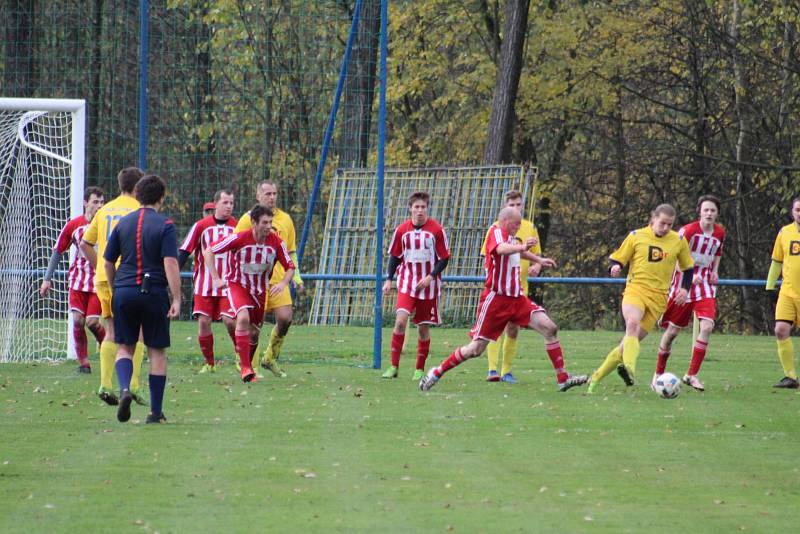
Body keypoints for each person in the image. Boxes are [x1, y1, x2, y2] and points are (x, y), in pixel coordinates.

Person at [420, 207, 587, 392]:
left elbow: (517, 251)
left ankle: (563, 379)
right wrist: (522, 246)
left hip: (517, 300)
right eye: (516, 224)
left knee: (550, 328)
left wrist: (538, 260)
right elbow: (501, 249)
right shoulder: (495, 232)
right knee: (475, 349)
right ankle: (437, 372)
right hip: (496, 301)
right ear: (506, 221)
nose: (518, 227)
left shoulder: (510, 236)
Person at [587, 204, 696, 393]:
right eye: (662, 223)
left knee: (626, 345)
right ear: (653, 219)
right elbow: (618, 258)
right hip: (635, 291)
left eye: (669, 224)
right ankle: (629, 369)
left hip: (658, 300)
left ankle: (595, 379)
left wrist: (685, 289)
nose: (665, 228)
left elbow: (688, 268)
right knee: (632, 324)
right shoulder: (636, 236)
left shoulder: (678, 240)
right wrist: (615, 267)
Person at [104, 175, 181, 424]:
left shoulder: (123, 223)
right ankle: (155, 413)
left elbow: (107, 260)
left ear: (137, 196)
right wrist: (177, 297)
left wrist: (117, 286)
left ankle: (125, 388)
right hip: (153, 291)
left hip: (124, 290)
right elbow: (170, 262)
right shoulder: (165, 224)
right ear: (162, 197)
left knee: (124, 346)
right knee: (156, 350)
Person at [80, 167, 147, 406]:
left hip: (103, 278)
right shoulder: (138, 210)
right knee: (138, 331)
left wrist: (100, 265)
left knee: (111, 330)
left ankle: (106, 384)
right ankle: (135, 385)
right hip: (129, 277)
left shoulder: (104, 209)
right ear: (139, 188)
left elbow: (85, 243)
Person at [206, 204, 295, 383]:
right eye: (264, 222)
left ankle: (246, 366)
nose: (269, 226)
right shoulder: (239, 238)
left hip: (260, 291)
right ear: (253, 223)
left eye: (270, 222)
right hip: (237, 285)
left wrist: (284, 282)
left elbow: (290, 266)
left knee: (254, 333)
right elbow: (209, 250)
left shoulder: (277, 242)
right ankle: (246, 367)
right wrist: (215, 278)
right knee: (243, 318)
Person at [653, 195, 725, 391]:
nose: (709, 213)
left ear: (717, 213)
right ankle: (658, 374)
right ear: (699, 212)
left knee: (708, 326)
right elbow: (675, 255)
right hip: (684, 284)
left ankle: (692, 374)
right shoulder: (688, 231)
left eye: (713, 210)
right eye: (706, 210)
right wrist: (688, 275)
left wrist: (715, 271)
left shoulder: (719, 233)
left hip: (706, 286)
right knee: (672, 332)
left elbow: (717, 252)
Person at [234, 181, 303, 377]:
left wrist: (296, 278)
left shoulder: (286, 219)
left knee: (285, 318)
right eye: (267, 193)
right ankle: (248, 365)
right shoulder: (248, 220)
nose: (271, 197)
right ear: (258, 195)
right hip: (254, 281)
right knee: (253, 327)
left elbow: (291, 252)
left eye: (274, 193)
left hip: (278, 279)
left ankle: (269, 357)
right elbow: (235, 246)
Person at [381, 191, 450, 381]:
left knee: (422, 328)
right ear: (410, 208)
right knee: (400, 321)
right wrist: (388, 279)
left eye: (423, 207)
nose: (420, 210)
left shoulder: (436, 230)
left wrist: (431, 276)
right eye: (416, 207)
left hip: (428, 286)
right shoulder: (402, 230)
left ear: (427, 209)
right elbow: (395, 256)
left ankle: (419, 369)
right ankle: (393, 366)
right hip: (407, 283)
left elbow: (444, 258)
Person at [40, 187, 106, 373]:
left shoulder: (107, 224)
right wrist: (47, 279)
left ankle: (110, 349)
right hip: (77, 282)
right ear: (86, 203)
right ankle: (84, 363)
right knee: (78, 320)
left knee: (92, 322)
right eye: (95, 202)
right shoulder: (74, 225)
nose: (99, 205)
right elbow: (58, 251)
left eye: (102, 202)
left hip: (98, 282)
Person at [483, 190, 543, 384]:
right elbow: (490, 254)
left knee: (513, 328)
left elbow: (536, 255)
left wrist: (537, 265)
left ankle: (507, 371)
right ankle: (492, 369)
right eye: (512, 205)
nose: (516, 208)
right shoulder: (495, 228)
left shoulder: (529, 227)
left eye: (519, 204)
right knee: (495, 328)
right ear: (505, 207)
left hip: (519, 287)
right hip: (500, 289)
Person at [179, 190, 238, 372]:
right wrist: (172, 275)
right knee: (204, 322)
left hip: (229, 283)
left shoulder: (237, 226)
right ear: (216, 204)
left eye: (231, 203)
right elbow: (184, 251)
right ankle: (209, 363)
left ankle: (241, 356)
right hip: (204, 284)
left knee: (230, 321)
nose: (229, 206)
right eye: (225, 202)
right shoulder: (201, 226)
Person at [765, 196, 800, 389]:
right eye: (798, 210)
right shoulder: (784, 233)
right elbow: (777, 261)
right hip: (788, 292)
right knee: (780, 330)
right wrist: (770, 286)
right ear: (792, 212)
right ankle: (790, 377)